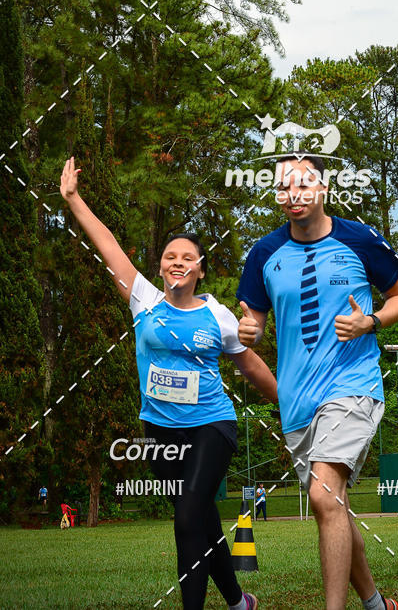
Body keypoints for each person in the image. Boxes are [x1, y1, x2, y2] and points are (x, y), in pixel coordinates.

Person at [60, 157, 277, 610]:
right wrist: (74, 200)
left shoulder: (218, 316)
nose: (178, 262)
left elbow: (252, 367)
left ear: (200, 269)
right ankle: (240, 604)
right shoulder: (143, 298)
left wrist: (293, 408)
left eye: (187, 258)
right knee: (202, 523)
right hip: (159, 435)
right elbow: (108, 244)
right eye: (170, 256)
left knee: (185, 520)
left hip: (211, 426)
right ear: (160, 267)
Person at [237, 155, 398, 610]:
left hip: (353, 386)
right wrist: (249, 330)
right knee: (332, 507)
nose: (293, 195)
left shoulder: (360, 238)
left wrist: (369, 321)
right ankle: (375, 604)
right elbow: (251, 322)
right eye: (283, 187)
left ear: (323, 189)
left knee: (323, 494)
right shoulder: (263, 254)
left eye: (302, 184)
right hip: (297, 403)